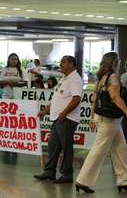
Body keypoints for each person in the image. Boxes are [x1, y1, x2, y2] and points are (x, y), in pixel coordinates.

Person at [76, 52, 127, 194]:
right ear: (115, 62)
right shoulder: (113, 77)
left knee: (120, 150)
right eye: (118, 60)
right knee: (98, 151)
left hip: (106, 119)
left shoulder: (101, 77)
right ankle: (82, 181)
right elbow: (115, 97)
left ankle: (125, 181)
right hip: (109, 120)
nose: (120, 62)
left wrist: (92, 118)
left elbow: (94, 100)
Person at [34, 56, 83, 184]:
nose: (60, 64)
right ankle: (49, 171)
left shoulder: (75, 79)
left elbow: (77, 99)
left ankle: (67, 174)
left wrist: (65, 112)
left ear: (72, 64)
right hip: (57, 118)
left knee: (66, 147)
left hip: (67, 118)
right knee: (52, 145)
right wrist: (46, 111)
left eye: (63, 62)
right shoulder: (64, 78)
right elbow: (58, 99)